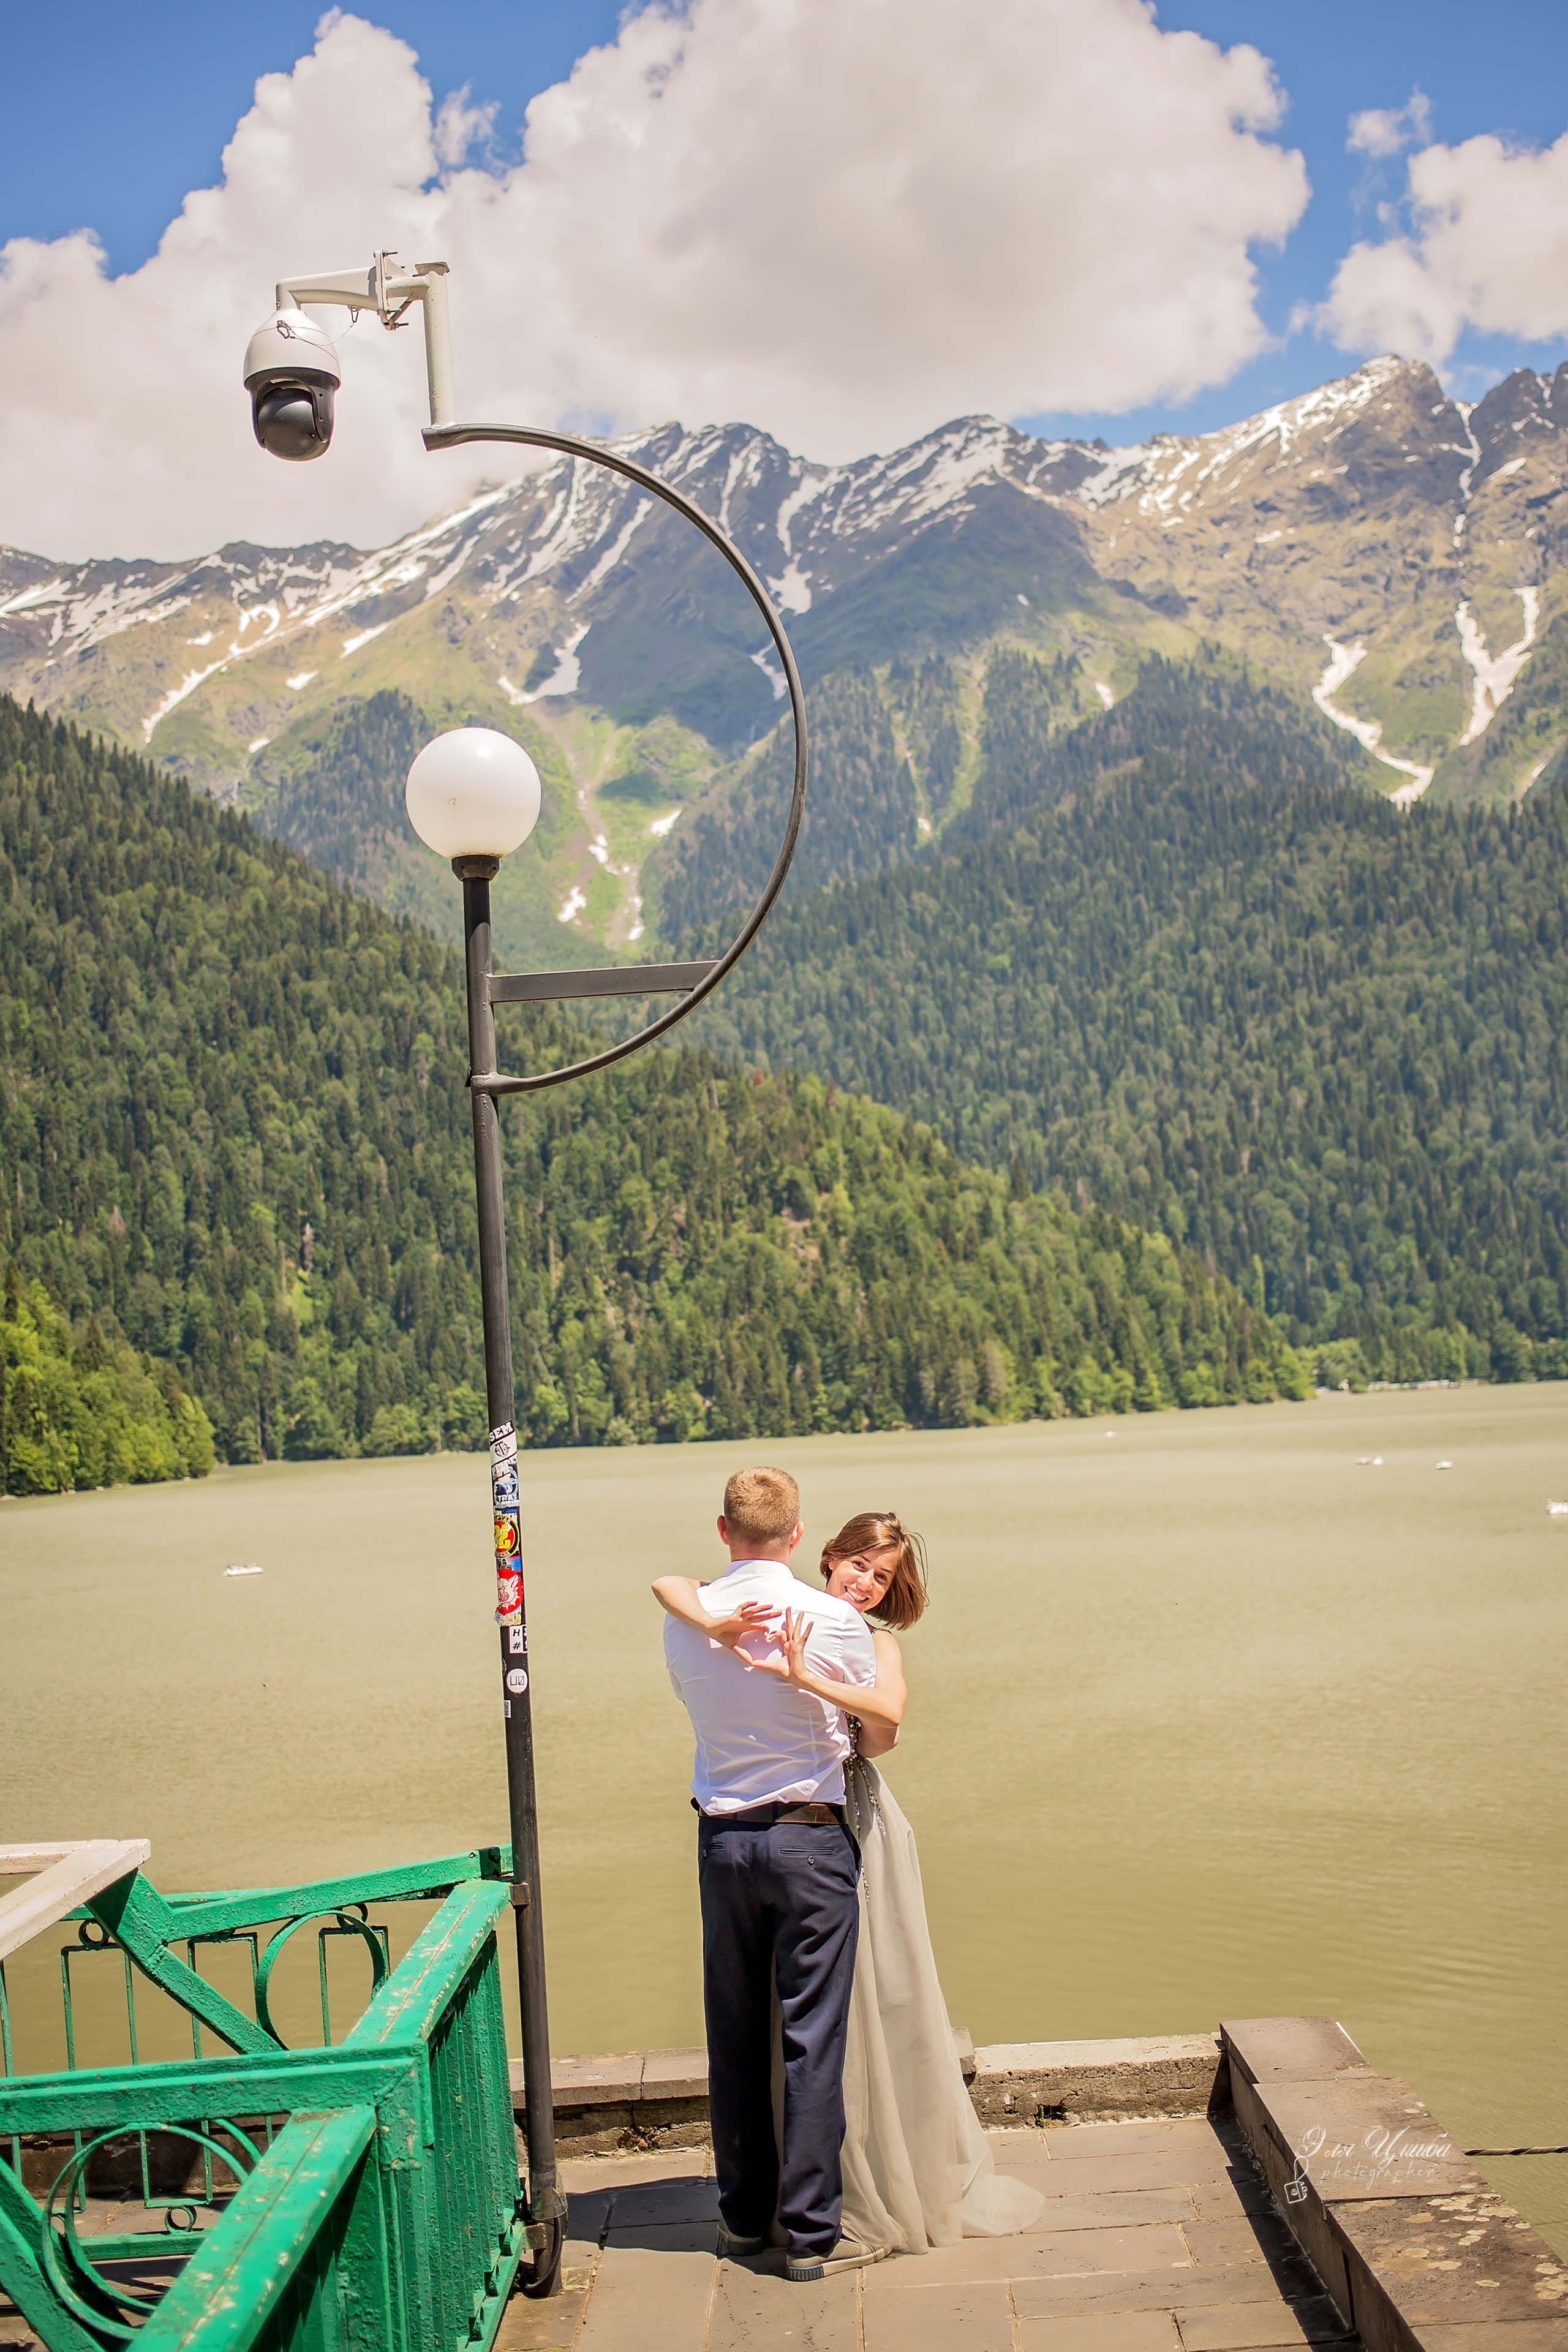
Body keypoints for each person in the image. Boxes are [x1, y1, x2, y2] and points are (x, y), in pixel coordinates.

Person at [655, 1507, 1044, 2255]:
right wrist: (721, 1626)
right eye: (857, 1565)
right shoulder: (782, 1611)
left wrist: (805, 1678)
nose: (863, 1583)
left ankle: (815, 2200)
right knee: (801, 2022)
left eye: (880, 1576)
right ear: (825, 1554)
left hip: (850, 1819)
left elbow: (886, 1728)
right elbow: (669, 1584)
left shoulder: (866, 1639)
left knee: (854, 2003)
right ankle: (799, 2216)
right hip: (805, 1832)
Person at [658, 1466, 887, 2285]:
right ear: (798, 1538)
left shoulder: (687, 1623)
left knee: (734, 2035)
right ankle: (811, 2234)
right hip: (810, 1843)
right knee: (810, 2037)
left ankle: (743, 2218)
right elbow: (873, 1733)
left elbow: (676, 1609)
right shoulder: (834, 1620)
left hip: (723, 1845)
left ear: (724, 1531)